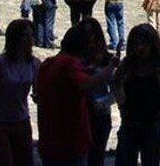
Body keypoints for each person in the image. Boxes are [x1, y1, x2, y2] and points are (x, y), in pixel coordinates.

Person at [36, 25, 119, 166]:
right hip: (70, 138)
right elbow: (87, 84)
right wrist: (111, 67)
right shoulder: (69, 64)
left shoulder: (47, 64)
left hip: (50, 136)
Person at [113, 24, 160, 166]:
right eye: (136, 44)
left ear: (153, 44)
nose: (139, 48)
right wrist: (122, 105)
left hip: (152, 126)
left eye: (144, 43)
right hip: (129, 125)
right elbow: (116, 83)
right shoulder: (127, 65)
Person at [0, 19, 40, 166]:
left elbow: (38, 95)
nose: (30, 40)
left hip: (22, 120)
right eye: (26, 36)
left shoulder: (35, 64)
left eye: (32, 36)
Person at [78, 20, 116, 166]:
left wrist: (103, 103)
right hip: (79, 114)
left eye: (92, 34)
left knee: (96, 157)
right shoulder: (76, 59)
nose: (90, 38)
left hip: (100, 115)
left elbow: (116, 89)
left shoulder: (107, 59)